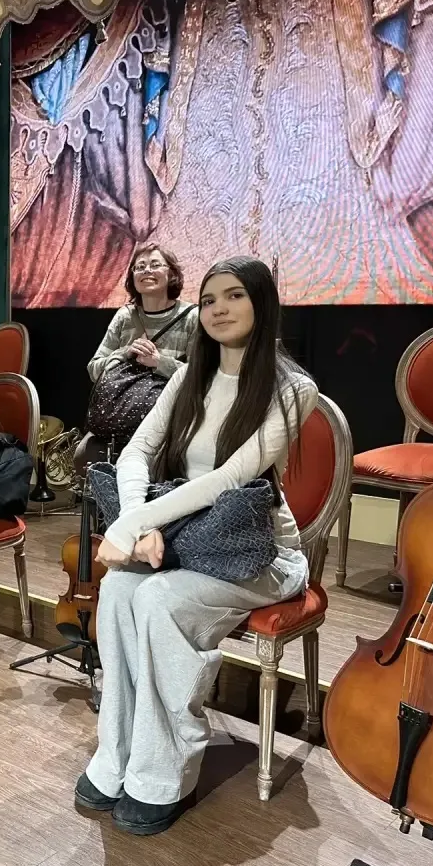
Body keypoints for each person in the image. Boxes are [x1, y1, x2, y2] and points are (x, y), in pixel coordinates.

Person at [73, 255, 318, 835]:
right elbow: (137, 451)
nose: (218, 309)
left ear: (262, 303)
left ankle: (163, 772)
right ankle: (118, 754)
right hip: (186, 538)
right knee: (120, 590)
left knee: (159, 600)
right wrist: (136, 523)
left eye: (234, 296)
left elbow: (230, 478)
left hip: (259, 554)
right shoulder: (188, 377)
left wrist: (133, 527)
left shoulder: (292, 389)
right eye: (209, 300)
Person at [77, 244, 198, 469]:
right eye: (140, 267)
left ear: (171, 274)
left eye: (155, 265)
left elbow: (201, 376)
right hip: (119, 423)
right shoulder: (125, 316)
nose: (146, 270)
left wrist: (159, 362)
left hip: (170, 424)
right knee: (82, 456)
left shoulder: (192, 317)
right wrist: (124, 353)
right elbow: (94, 369)